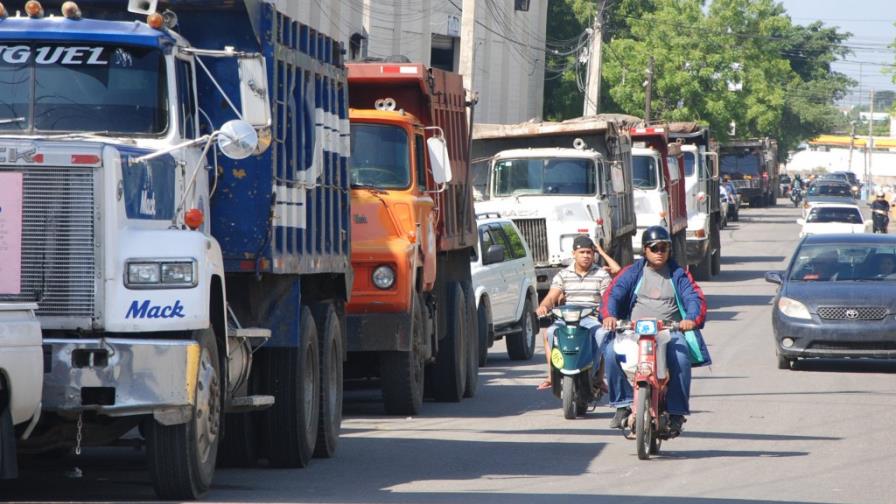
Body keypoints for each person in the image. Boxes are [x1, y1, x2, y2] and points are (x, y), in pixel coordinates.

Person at [600, 226, 710, 436]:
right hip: (633, 331)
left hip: (669, 331)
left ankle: (676, 413)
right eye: (655, 247)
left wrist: (690, 319)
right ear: (645, 250)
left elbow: (694, 298)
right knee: (611, 352)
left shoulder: (679, 274)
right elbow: (613, 294)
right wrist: (609, 316)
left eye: (664, 247)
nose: (660, 252)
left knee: (681, 357)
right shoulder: (632, 272)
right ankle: (622, 404)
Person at [535, 235, 621, 391]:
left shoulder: (601, 274)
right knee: (549, 333)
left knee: (602, 335)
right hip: (566, 319)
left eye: (589, 252)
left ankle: (597, 376)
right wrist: (544, 307)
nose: (586, 256)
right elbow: (551, 296)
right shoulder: (563, 275)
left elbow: (607, 298)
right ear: (574, 253)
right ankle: (551, 375)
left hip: (591, 319)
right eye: (582, 252)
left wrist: (608, 314)